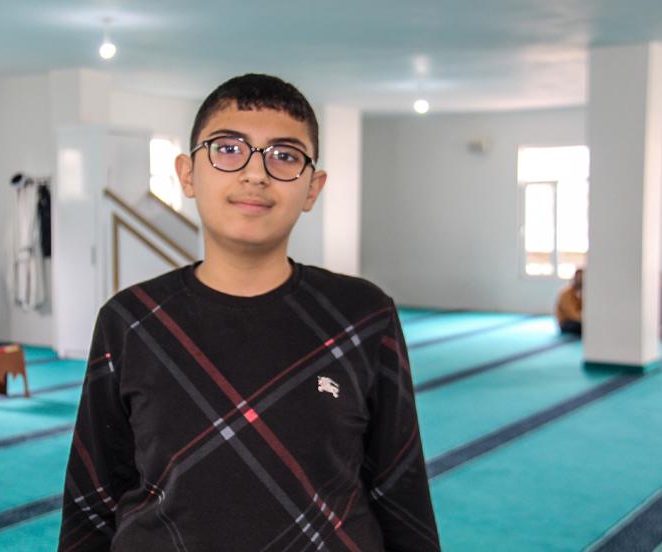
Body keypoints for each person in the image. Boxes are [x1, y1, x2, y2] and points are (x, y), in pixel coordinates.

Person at [58, 74, 440, 551]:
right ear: (187, 174)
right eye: (228, 149)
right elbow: (91, 500)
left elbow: (400, 492)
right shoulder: (131, 320)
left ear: (313, 188)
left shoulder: (363, 316)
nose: (255, 174)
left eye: (285, 156)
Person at [555, 268, 583, 335]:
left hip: (577, 319)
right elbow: (573, 314)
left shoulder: (580, 294)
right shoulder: (566, 294)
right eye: (579, 278)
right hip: (566, 322)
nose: (581, 280)